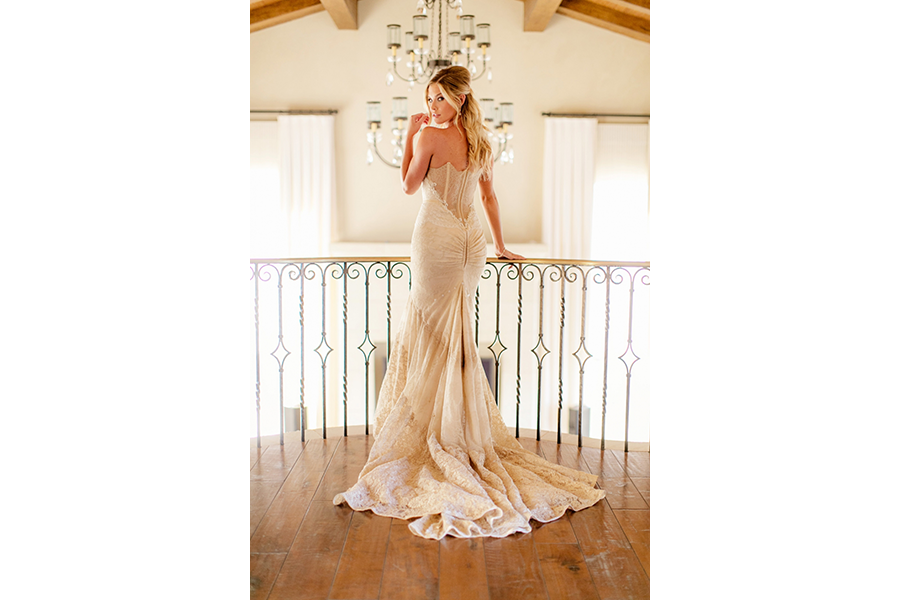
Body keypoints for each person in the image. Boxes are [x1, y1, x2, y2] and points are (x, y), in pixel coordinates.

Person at [333, 66, 604, 539]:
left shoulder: (430, 136)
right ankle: (454, 428)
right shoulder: (482, 141)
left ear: (460, 99)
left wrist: (411, 135)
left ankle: (435, 433)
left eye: (439, 98)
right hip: (472, 242)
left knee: (435, 331)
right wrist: (499, 244)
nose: (432, 106)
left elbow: (408, 186)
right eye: (429, 98)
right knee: (454, 331)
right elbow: (489, 197)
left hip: (438, 238)